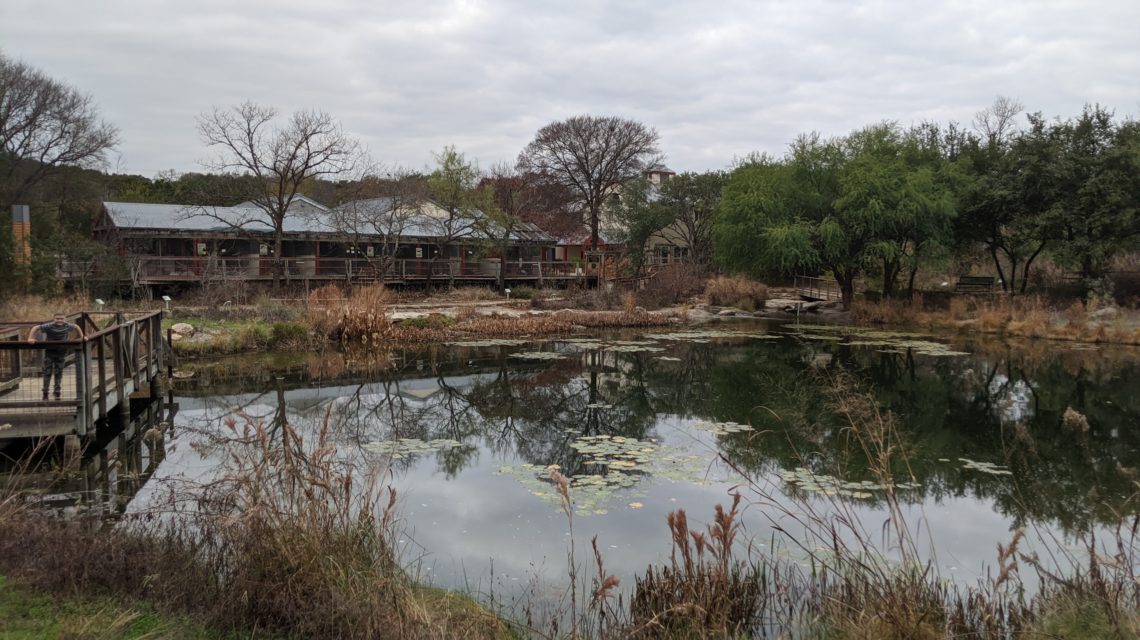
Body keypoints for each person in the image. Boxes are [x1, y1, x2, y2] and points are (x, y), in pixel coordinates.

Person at [26, 314, 86, 401]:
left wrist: (82, 336)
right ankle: (45, 393)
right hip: (50, 352)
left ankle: (57, 392)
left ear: (65, 319)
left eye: (62, 319)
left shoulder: (67, 326)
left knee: (59, 372)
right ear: (53, 319)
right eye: (57, 319)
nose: (59, 320)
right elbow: (35, 328)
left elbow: (76, 326)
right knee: (47, 372)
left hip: (61, 352)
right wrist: (30, 338)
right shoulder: (49, 326)